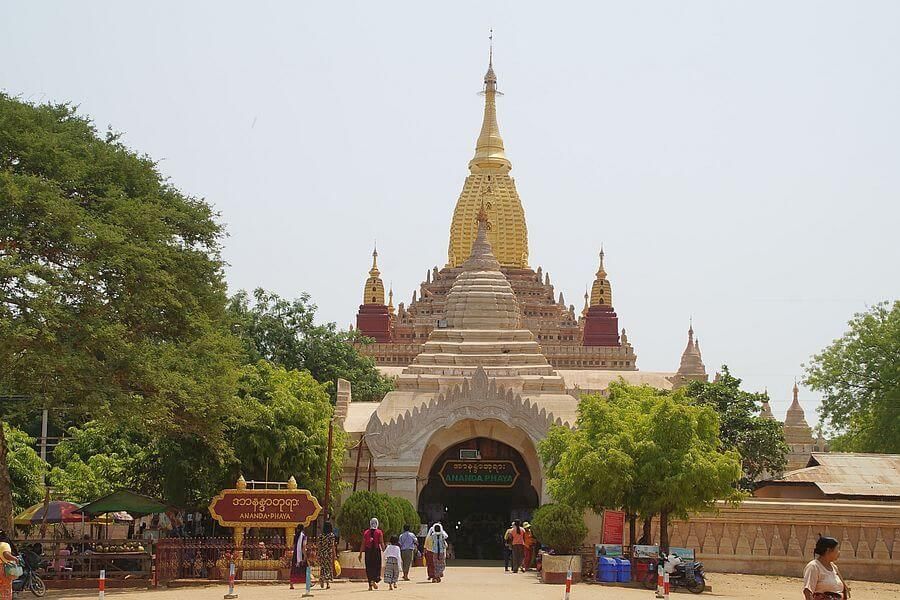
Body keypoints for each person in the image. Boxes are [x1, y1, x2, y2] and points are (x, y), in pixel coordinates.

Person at [358, 517, 385, 590]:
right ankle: (374, 580)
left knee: (369, 567)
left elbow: (363, 544)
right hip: (376, 552)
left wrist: (360, 554)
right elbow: (382, 543)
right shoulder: (379, 532)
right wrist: (385, 552)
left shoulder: (366, 532)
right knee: (376, 566)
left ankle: (370, 585)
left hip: (368, 552)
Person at [317, 522, 337, 589]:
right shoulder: (331, 535)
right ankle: (327, 583)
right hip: (328, 553)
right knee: (328, 567)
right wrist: (335, 555)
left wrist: (318, 554)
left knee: (322, 567)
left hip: (322, 553)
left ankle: (322, 579)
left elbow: (319, 546)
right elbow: (332, 546)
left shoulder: (321, 535)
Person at [0, 530, 18, 600]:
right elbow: (6, 554)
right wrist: (15, 558)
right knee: (5, 588)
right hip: (3, 569)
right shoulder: (5, 544)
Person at [289, 524, 308, 590]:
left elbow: (294, 546)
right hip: (301, 555)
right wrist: (305, 556)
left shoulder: (295, 536)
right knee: (306, 567)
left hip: (295, 554)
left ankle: (291, 583)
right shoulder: (304, 536)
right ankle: (308, 582)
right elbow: (303, 547)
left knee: (294, 568)